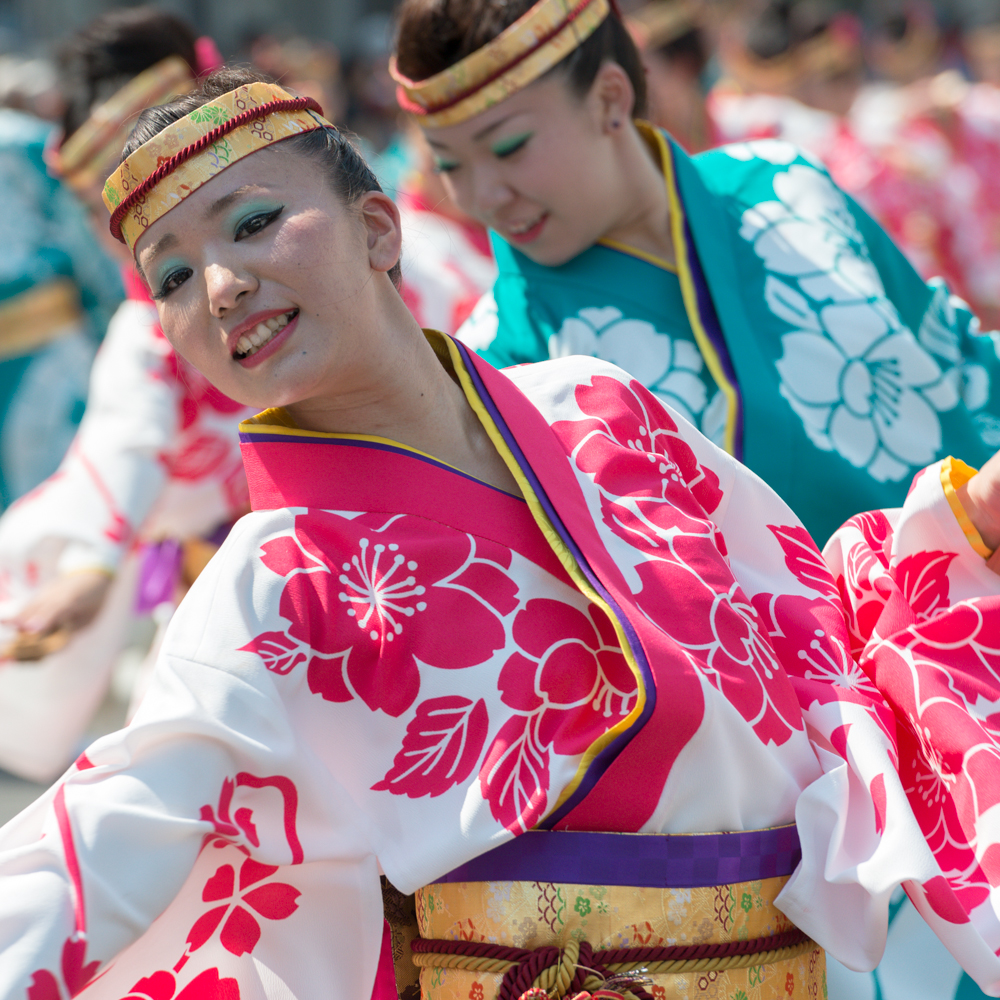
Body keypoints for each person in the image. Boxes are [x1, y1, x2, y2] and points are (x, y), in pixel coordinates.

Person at [4, 65, 1000, 1000]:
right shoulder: (264, 589)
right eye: (171, 278)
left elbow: (810, 623)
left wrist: (957, 535)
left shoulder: (597, 408)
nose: (219, 285)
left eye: (254, 222)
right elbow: (105, 838)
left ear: (379, 229)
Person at [392, 0, 1000, 549]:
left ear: (610, 97)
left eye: (509, 147)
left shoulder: (785, 182)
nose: (483, 195)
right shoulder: (499, 363)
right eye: (451, 164)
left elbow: (959, 360)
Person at [0, 9, 254, 784]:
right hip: (233, 587)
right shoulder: (149, 339)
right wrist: (95, 561)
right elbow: (128, 438)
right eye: (100, 202)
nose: (123, 215)